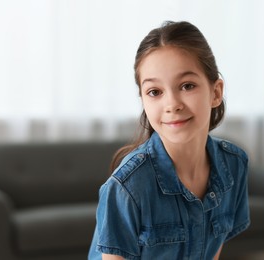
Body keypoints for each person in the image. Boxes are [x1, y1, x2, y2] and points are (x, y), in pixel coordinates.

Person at [88, 21, 250, 260]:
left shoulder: (234, 164)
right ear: (143, 99)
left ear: (215, 92)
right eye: (155, 92)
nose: (172, 104)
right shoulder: (126, 187)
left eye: (187, 86)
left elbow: (213, 250)